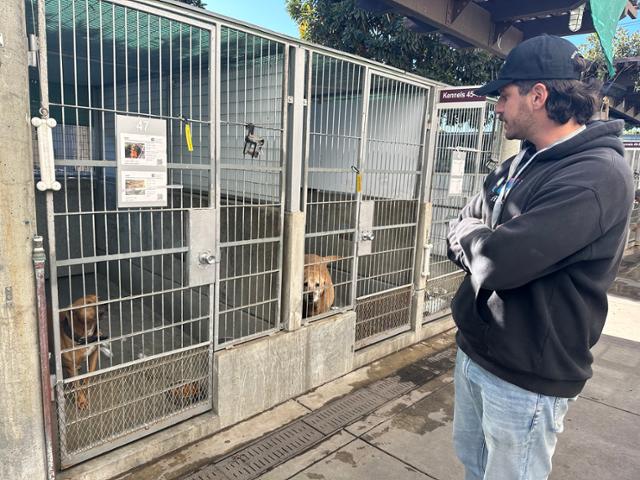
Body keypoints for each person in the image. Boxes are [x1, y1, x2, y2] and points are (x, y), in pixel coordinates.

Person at [446, 34, 634, 480]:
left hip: (526, 377)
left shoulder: (596, 175)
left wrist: (476, 240)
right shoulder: (521, 161)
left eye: (504, 96)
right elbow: (460, 226)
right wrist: (477, 238)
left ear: (538, 95)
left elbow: (498, 263)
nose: (496, 108)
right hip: (476, 351)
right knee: (474, 467)